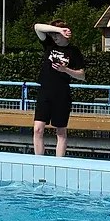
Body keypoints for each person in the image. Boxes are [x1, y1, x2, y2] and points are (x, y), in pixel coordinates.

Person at [32, 19, 86, 157]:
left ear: (66, 35)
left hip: (62, 94)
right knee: (38, 129)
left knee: (60, 132)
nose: (55, 37)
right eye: (53, 34)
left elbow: (82, 75)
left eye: (57, 35)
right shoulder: (48, 45)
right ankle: (39, 162)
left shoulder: (74, 51)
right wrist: (58, 30)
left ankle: (58, 164)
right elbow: (37, 27)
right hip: (45, 91)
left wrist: (65, 70)